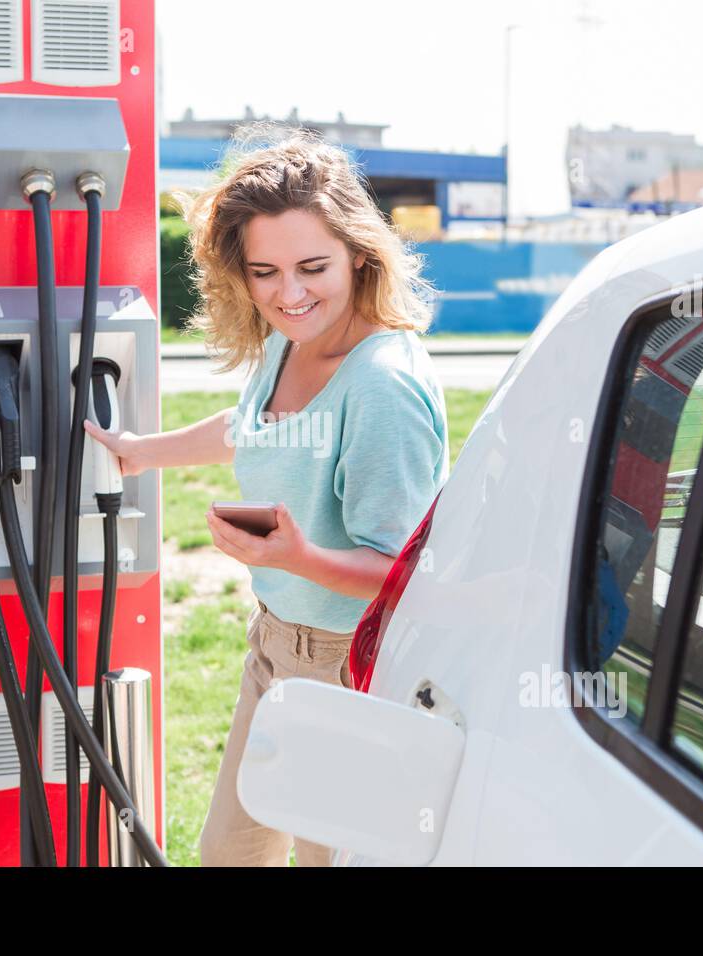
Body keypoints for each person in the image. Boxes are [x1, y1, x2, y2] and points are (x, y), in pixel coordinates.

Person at [84, 122, 449, 866]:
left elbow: (406, 576)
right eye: (264, 273)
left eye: (313, 266)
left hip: (347, 666)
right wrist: (138, 454)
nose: (288, 294)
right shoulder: (293, 337)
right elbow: (254, 426)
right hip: (275, 645)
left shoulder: (381, 385)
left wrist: (300, 555)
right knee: (230, 854)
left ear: (358, 252)